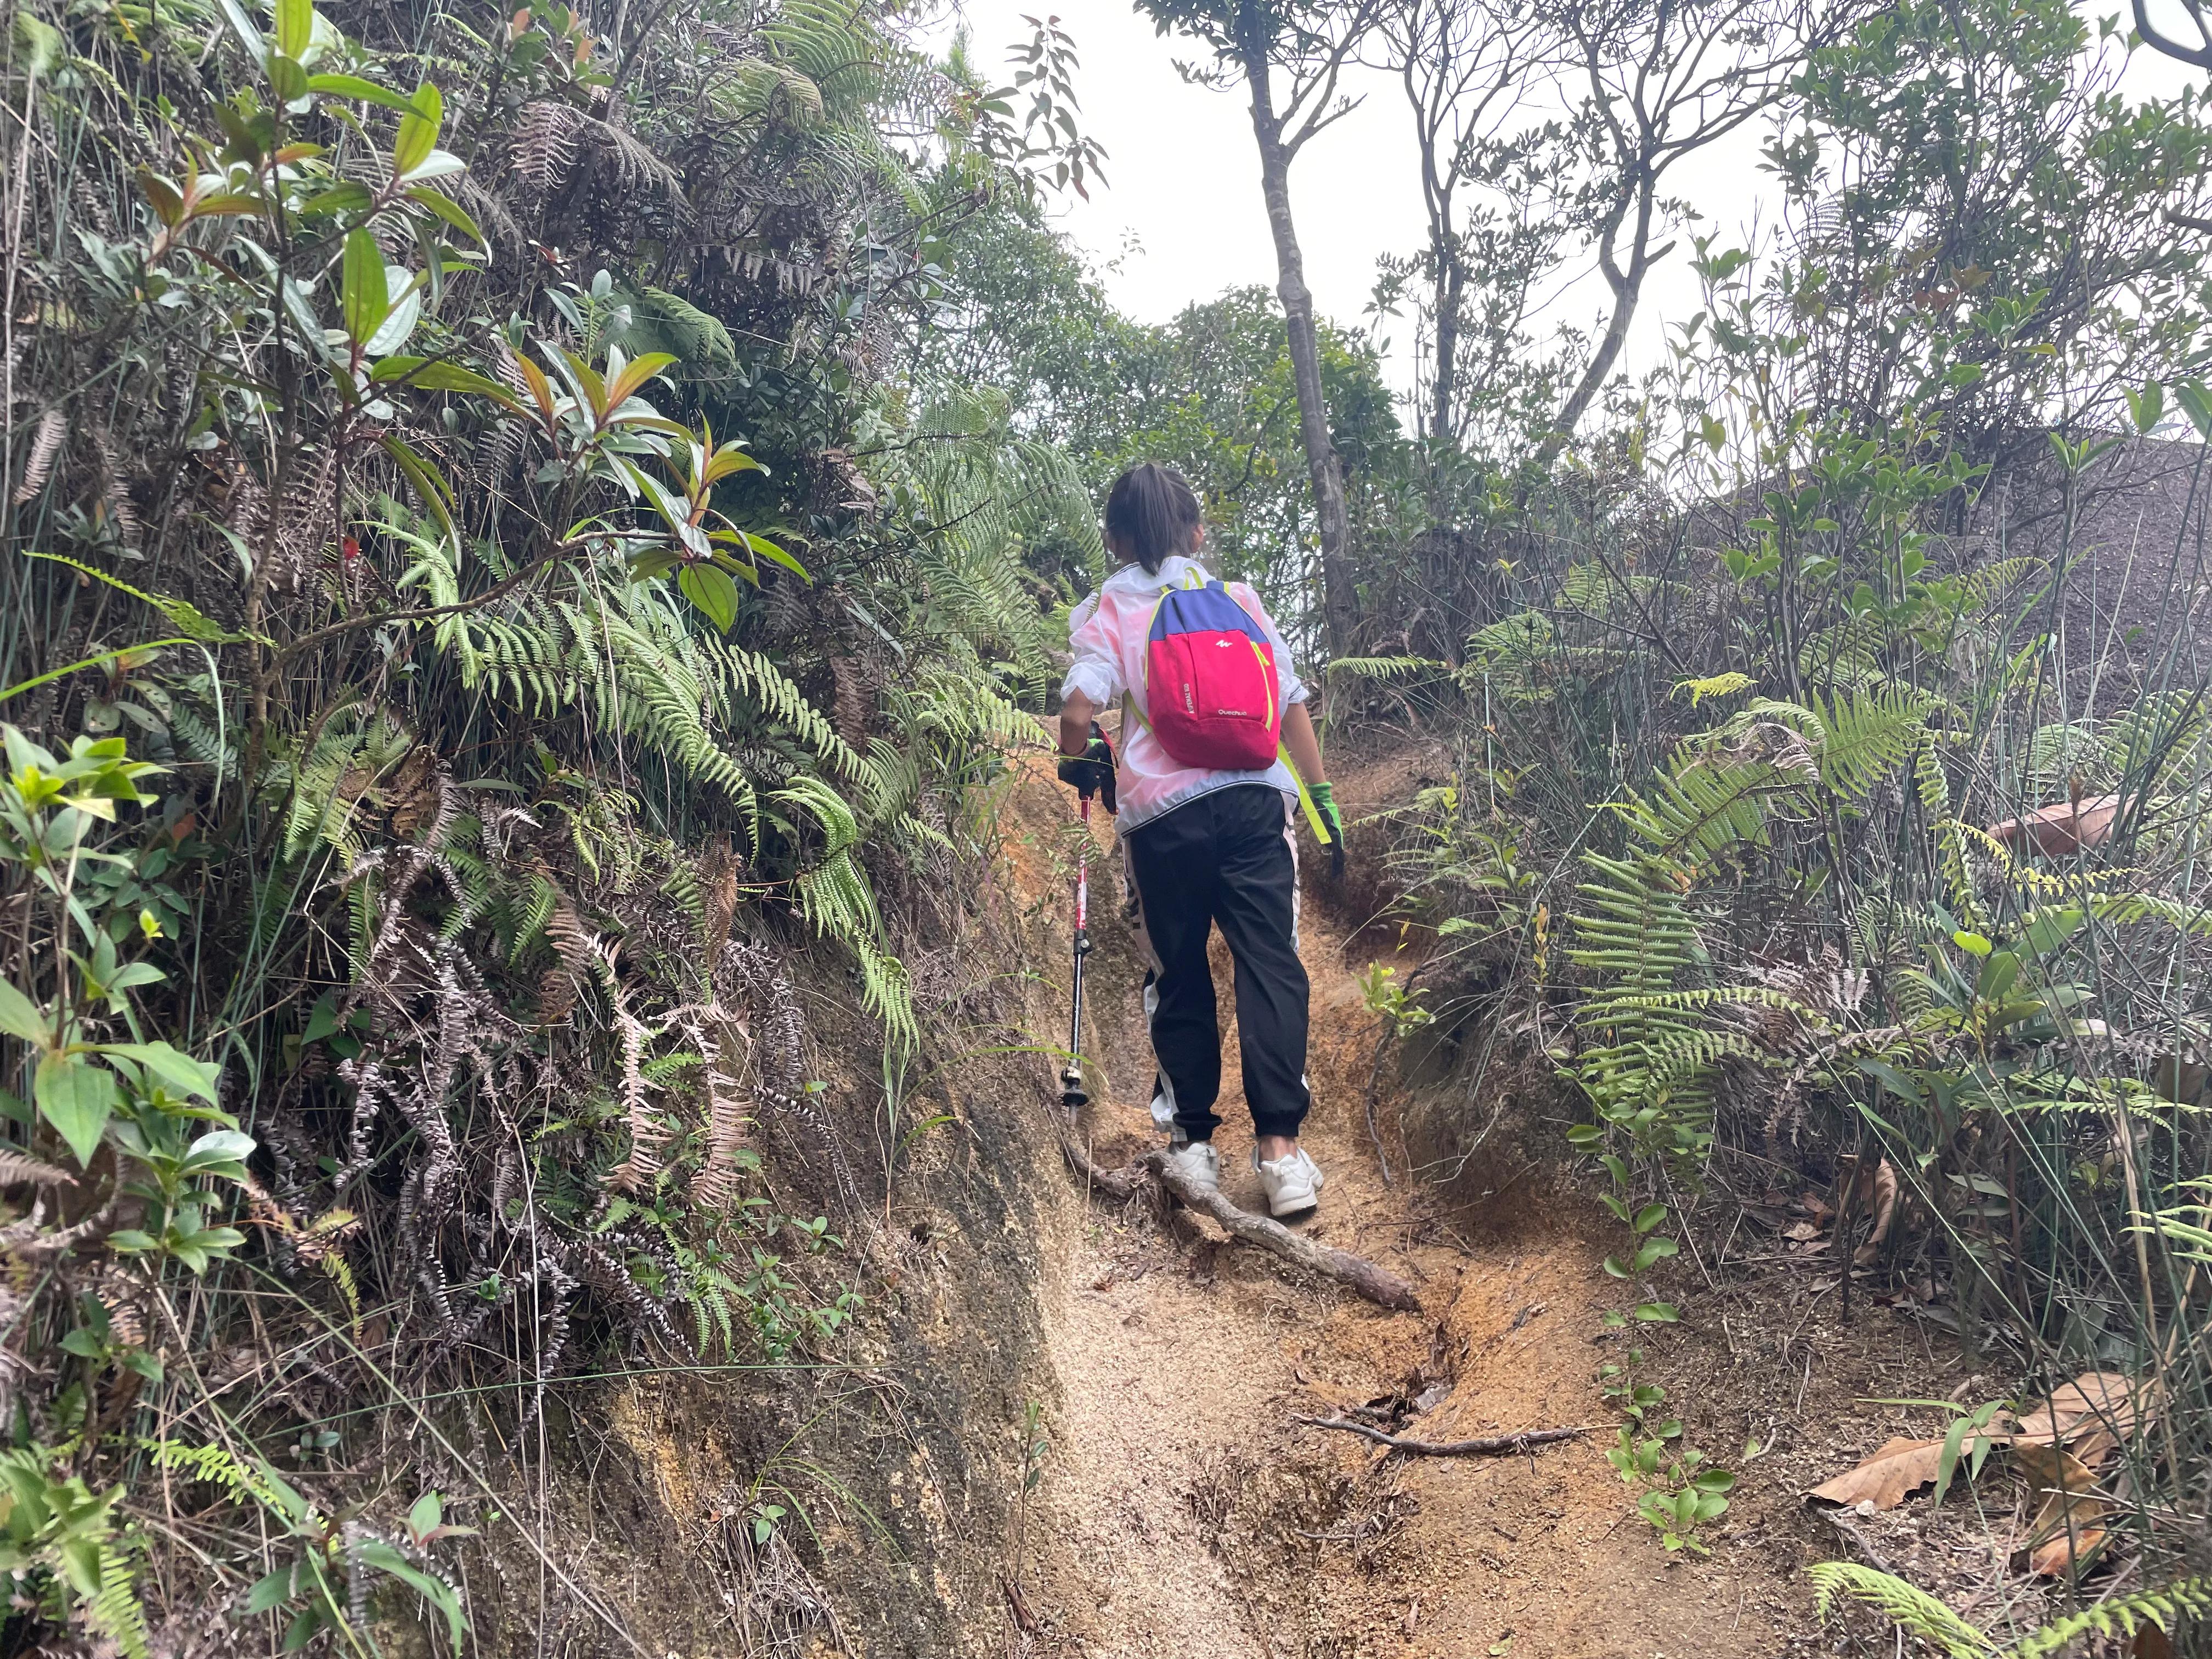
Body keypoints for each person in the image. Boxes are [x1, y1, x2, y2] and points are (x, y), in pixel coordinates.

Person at [1055, 462, 1346, 1218]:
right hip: (1255, 809)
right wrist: (1319, 798)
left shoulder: (1108, 610)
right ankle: (1281, 1156)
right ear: (1198, 532)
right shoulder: (1238, 600)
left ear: (1115, 539)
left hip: (1164, 824)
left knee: (1178, 973)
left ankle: (1193, 1145)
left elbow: (1084, 708)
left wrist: (1074, 758)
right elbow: (1290, 708)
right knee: (1270, 965)